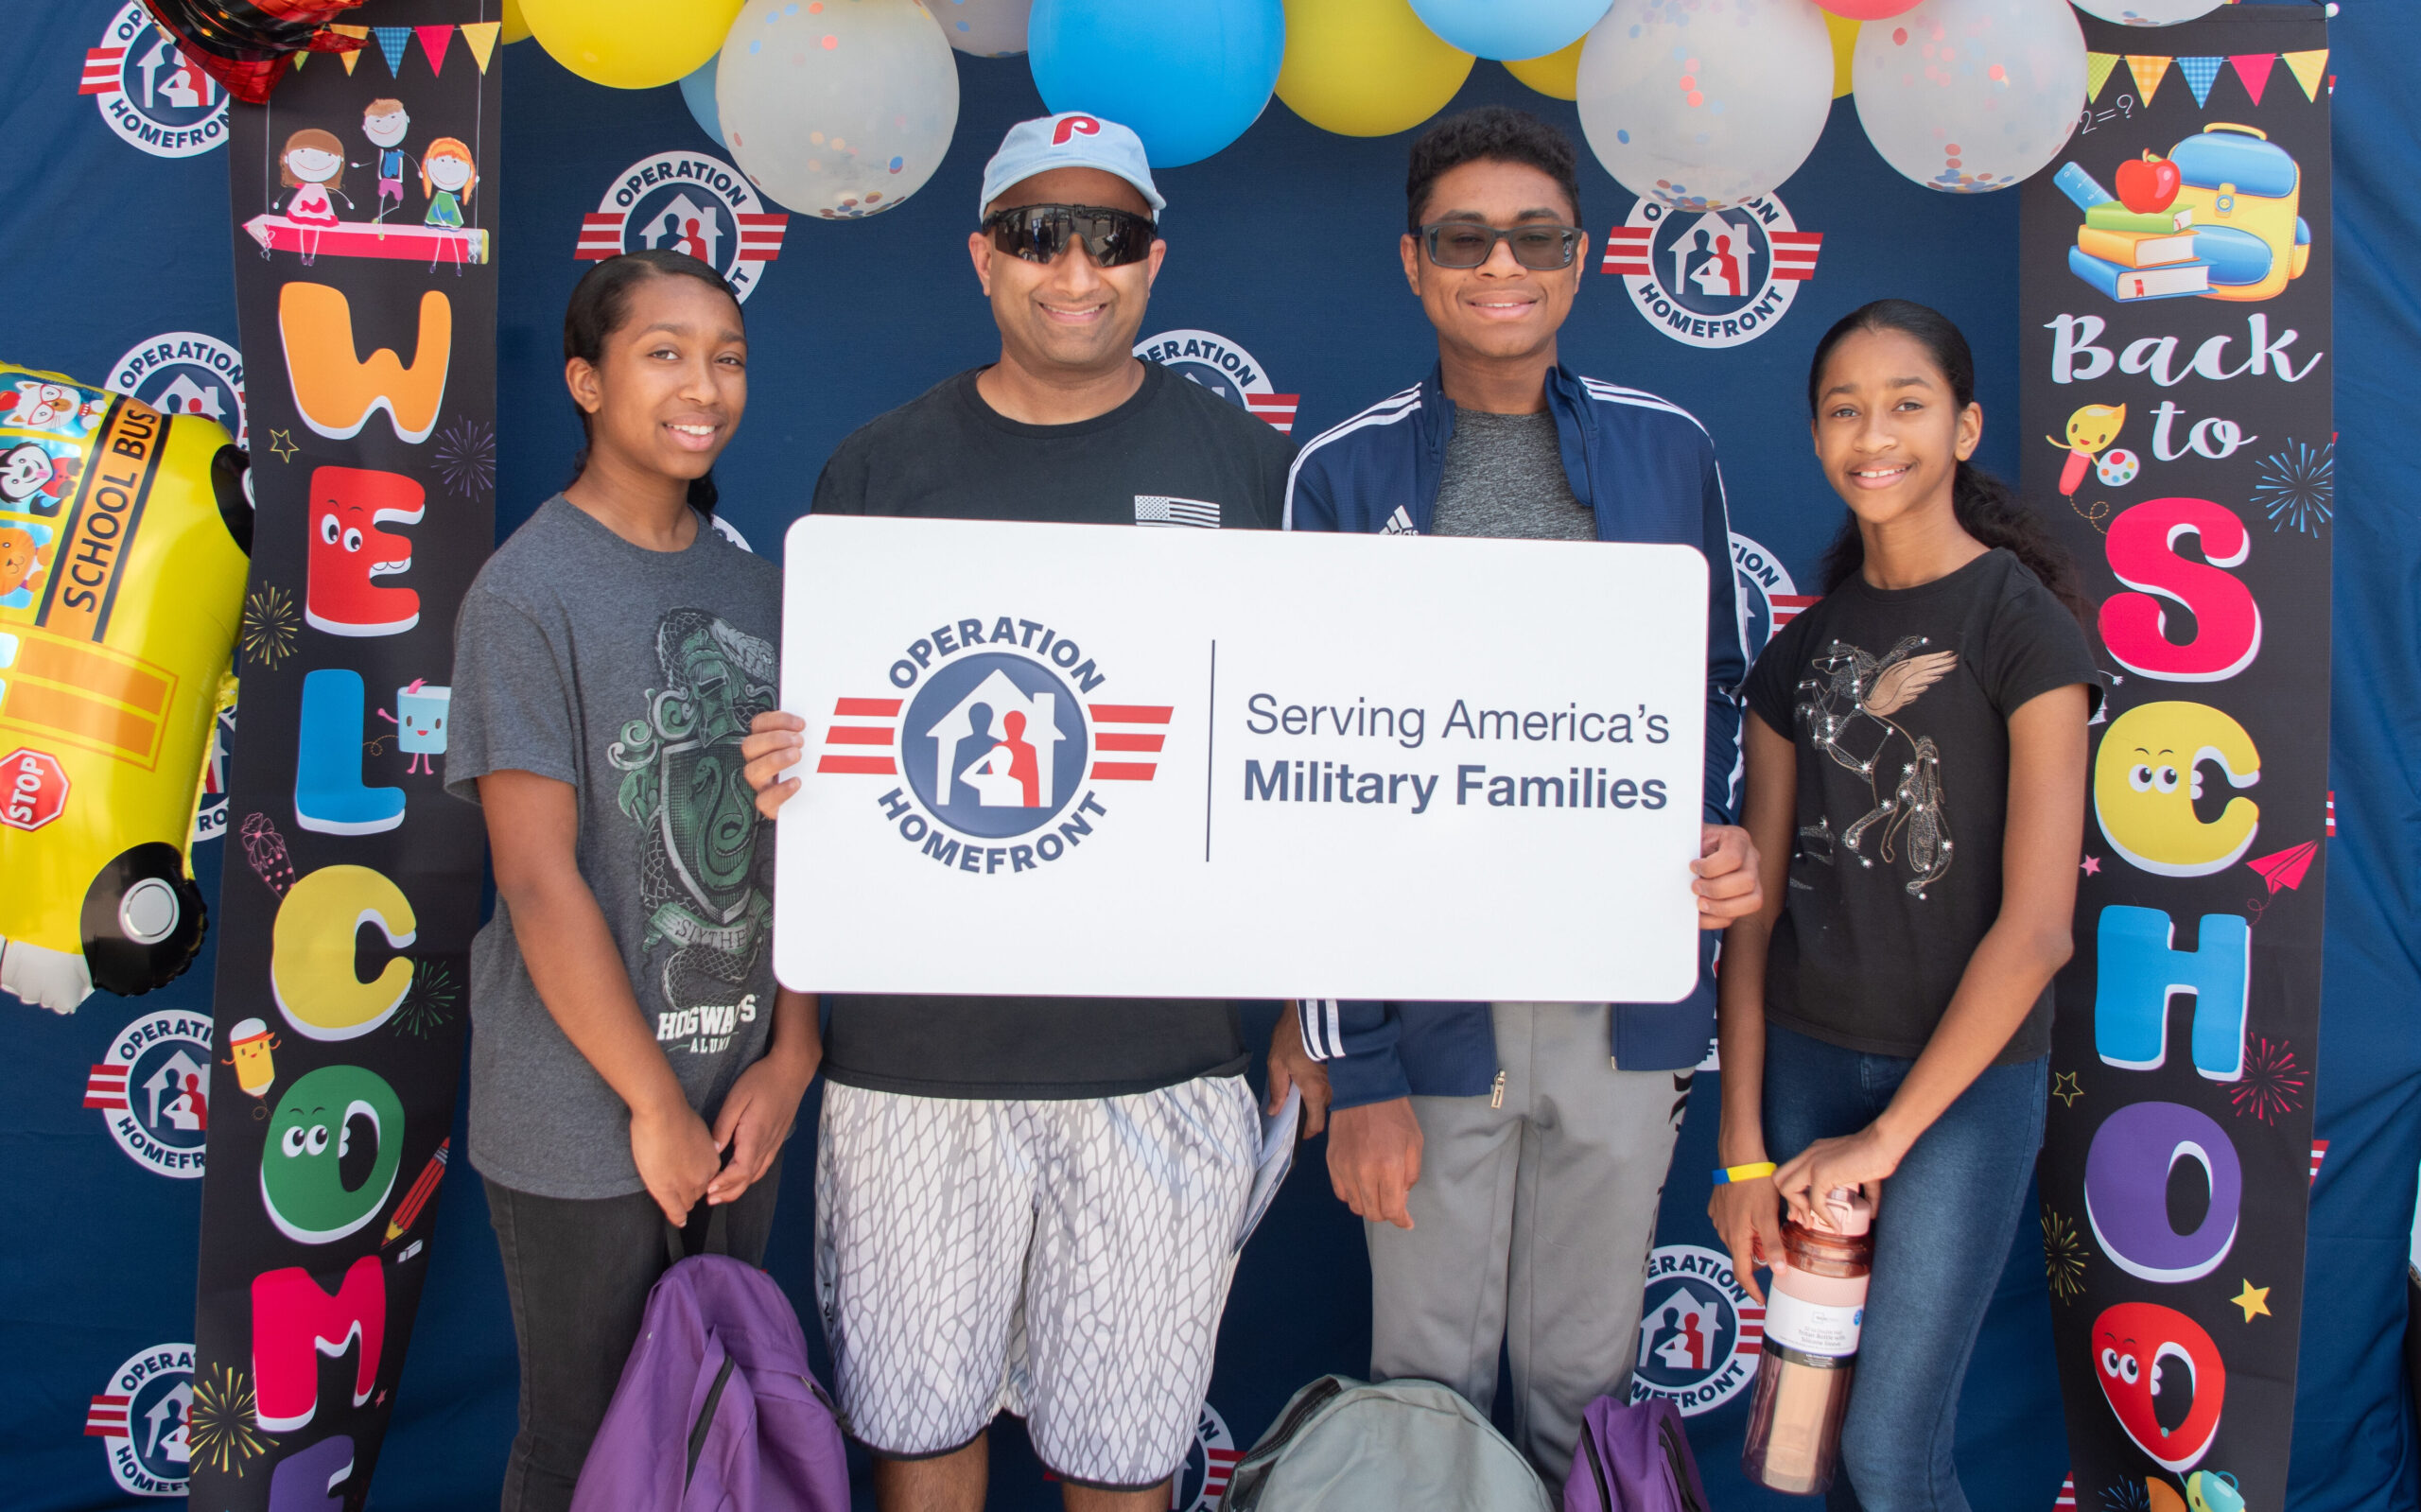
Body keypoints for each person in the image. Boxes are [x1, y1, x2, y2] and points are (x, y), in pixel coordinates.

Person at [738, 114, 1296, 1512]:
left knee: (1123, 1468)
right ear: (984, 255)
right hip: (913, 1064)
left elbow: (1302, 754)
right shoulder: (879, 470)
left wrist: (1305, 1019)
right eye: (1041, 232)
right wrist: (795, 771)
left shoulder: (1249, 470)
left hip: (1162, 1062)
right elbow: (825, 771)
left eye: (1109, 235)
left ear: (1153, 261)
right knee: (924, 1451)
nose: (1075, 267)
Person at [1268, 105, 1762, 1485]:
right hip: (1427, 1014)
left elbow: (1717, 679)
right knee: (1423, 1390)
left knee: (1584, 1390)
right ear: (1416, 265)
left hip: (1624, 1005)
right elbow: (1299, 773)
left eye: (1534, 236)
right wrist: (1351, 1059)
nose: (1502, 263)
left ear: (1581, 259)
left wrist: (1714, 840)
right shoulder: (1343, 473)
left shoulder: (1671, 448)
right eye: (1464, 238)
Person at [1708, 299, 2098, 1511]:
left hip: (1963, 1097)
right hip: (1810, 1077)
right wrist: (1741, 1152)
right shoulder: (1802, 652)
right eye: (1843, 408)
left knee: (1889, 1451)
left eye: (1907, 403)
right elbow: (1755, 918)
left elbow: (2037, 928)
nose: (1873, 434)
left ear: (1966, 426)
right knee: (1807, 1442)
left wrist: (1889, 1137)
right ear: (1817, 436)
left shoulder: (2021, 628)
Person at [445, 250, 818, 1512]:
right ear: (585, 380)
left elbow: (807, 850)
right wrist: (653, 1106)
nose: (703, 383)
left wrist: (792, 1053)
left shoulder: (764, 588)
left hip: (740, 1101)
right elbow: (540, 882)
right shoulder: (527, 593)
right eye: (663, 351)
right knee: (589, 1436)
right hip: (586, 1108)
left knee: (716, 1423)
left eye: (728, 356)